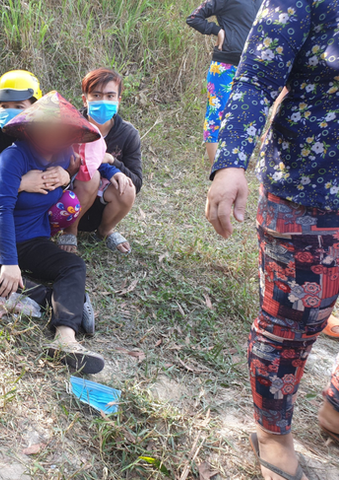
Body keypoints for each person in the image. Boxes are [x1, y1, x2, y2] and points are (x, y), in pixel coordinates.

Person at [205, 1, 339, 478]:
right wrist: (230, 162)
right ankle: (273, 431)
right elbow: (257, 75)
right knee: (292, 322)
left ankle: (336, 408)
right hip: (310, 187)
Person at [0, 91, 105, 374]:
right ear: (31, 129)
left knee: (73, 265)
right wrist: (8, 261)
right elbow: (1, 210)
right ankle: (65, 301)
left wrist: (67, 178)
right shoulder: (12, 158)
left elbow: (63, 191)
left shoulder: (64, 157)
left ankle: (65, 338)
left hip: (34, 239)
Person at [0, 70, 80, 235]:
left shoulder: (51, 137)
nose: (10, 111)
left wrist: (65, 177)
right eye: (4, 106)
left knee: (69, 203)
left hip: (35, 208)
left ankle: (40, 235)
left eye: (18, 106)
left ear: (37, 108)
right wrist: (20, 184)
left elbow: (69, 179)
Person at [57, 68, 142, 255]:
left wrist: (113, 162)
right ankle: (70, 230)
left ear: (118, 101)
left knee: (126, 186)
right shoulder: (70, 125)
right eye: (96, 95)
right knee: (91, 176)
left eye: (110, 96)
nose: (104, 101)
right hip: (66, 198)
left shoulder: (128, 134)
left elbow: (137, 182)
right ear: (85, 99)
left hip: (102, 205)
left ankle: (104, 231)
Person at [186, 0, 261, 165]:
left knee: (243, 118)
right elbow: (193, 17)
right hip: (225, 66)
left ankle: (233, 165)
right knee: (216, 116)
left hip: (251, 68)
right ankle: (217, 170)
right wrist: (217, 30)